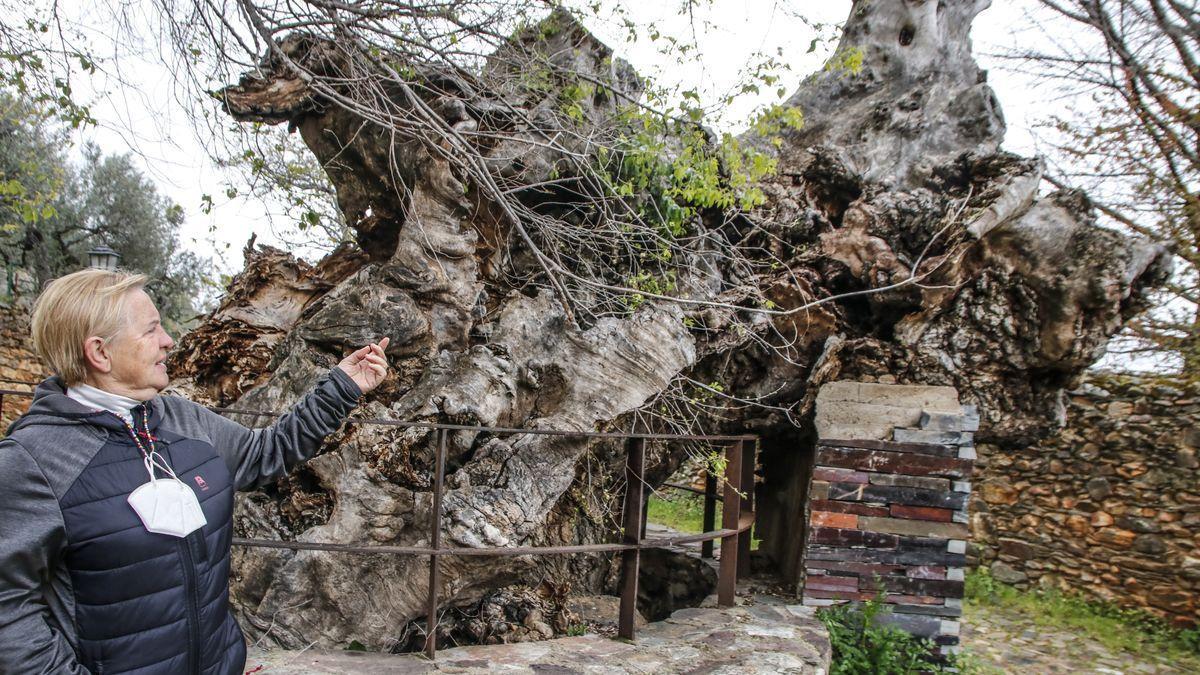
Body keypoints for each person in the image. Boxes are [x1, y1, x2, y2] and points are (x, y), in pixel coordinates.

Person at [0, 269, 390, 674]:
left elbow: (265, 452)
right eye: (151, 330)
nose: (168, 340)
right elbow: (8, 609)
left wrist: (341, 387)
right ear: (100, 352)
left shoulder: (182, 420)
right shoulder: (32, 461)